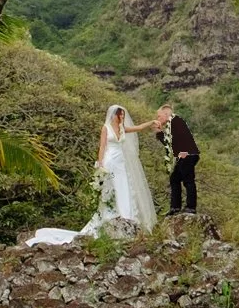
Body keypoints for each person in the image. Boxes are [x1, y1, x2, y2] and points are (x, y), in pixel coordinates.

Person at [28, 104, 160, 247]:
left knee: (124, 189)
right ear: (114, 115)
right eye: (120, 115)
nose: (122, 117)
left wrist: (152, 122)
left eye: (123, 115)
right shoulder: (106, 128)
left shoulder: (122, 128)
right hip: (110, 161)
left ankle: (127, 218)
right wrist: (101, 164)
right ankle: (112, 219)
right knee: (111, 191)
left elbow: (138, 128)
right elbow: (102, 146)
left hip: (121, 163)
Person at [156, 105, 198, 216]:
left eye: (159, 116)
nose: (158, 118)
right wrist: (159, 132)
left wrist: (184, 151)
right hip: (182, 155)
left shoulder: (176, 121)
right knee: (174, 179)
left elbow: (184, 136)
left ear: (166, 114)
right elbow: (169, 144)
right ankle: (175, 207)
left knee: (188, 180)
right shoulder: (170, 125)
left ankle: (191, 207)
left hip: (187, 154)